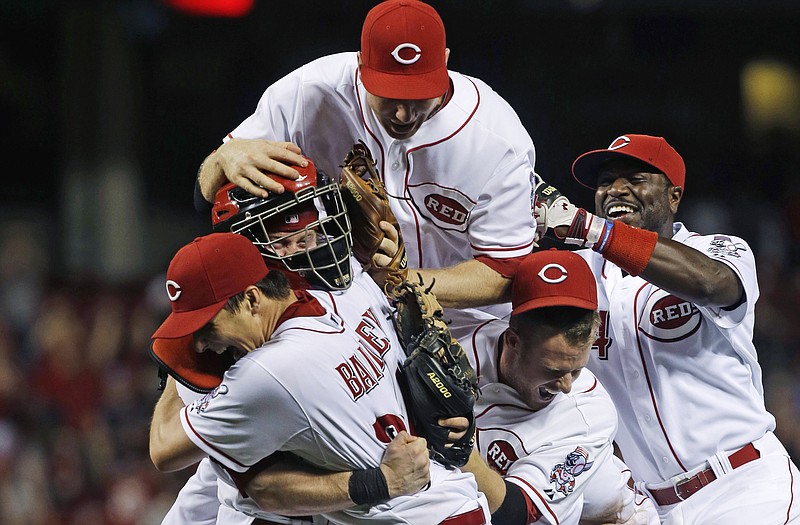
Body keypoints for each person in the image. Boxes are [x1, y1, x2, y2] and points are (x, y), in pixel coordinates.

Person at [194, 0, 539, 329]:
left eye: (418, 95)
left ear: (445, 62)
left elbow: (505, 273)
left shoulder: (496, 140)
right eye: (389, 94)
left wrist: (402, 281)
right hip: (351, 309)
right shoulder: (310, 92)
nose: (404, 114)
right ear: (361, 65)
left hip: (468, 325)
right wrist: (222, 159)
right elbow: (204, 197)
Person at [540, 133, 800, 523]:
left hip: (744, 486)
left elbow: (711, 284)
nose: (616, 189)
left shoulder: (720, 249)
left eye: (636, 178)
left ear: (674, 196)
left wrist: (590, 230)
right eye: (606, 180)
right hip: (653, 507)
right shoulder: (581, 275)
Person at [148, 232, 491, 524]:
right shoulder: (347, 289)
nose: (202, 343)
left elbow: (165, 451)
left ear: (252, 298)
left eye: (207, 326)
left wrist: (179, 370)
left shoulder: (265, 373)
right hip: (453, 502)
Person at [455, 249, 657, 525]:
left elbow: (518, 513)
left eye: (576, 369)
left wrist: (457, 447)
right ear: (513, 341)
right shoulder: (460, 342)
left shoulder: (585, 414)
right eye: (553, 370)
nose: (565, 386)